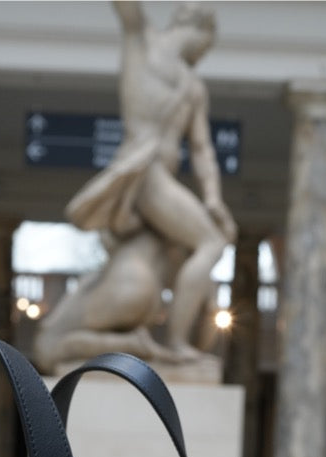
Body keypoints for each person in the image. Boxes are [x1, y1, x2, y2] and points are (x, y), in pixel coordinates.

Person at [65, 0, 236, 359]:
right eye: (207, 46)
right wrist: (210, 199)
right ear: (202, 33)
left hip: (158, 177)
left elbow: (202, 148)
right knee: (211, 242)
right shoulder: (142, 42)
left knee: (181, 248)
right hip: (146, 174)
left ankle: (168, 336)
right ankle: (176, 341)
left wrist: (213, 198)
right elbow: (127, 8)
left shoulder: (193, 86)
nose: (203, 55)